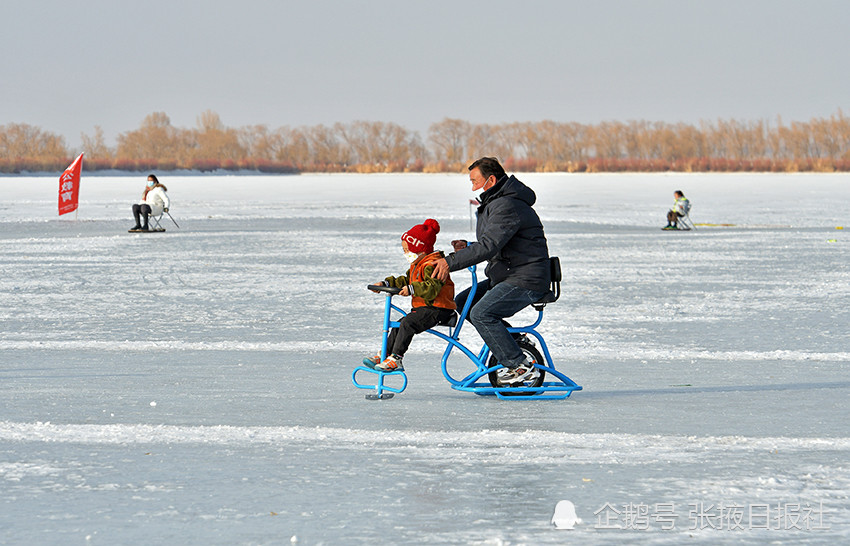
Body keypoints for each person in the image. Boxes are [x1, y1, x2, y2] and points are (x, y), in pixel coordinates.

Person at [432, 157, 550, 384]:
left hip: (527, 278)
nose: (473, 186)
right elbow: (494, 243)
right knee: (465, 301)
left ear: (491, 179)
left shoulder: (507, 205)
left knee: (481, 313)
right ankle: (514, 343)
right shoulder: (497, 203)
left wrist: (450, 262)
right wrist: (466, 248)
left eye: (475, 181)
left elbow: (489, 246)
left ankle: (518, 365)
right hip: (509, 273)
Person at [364, 219, 456, 372]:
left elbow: (432, 288)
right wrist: (386, 284)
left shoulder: (432, 265)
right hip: (424, 308)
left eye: (408, 250)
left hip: (438, 309)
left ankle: (396, 358)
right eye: (404, 250)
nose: (406, 254)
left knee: (408, 324)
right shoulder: (417, 264)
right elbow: (406, 280)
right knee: (399, 325)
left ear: (421, 250)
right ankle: (386, 354)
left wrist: (412, 289)